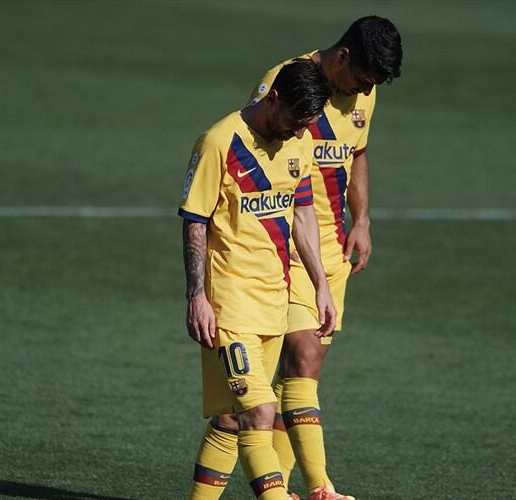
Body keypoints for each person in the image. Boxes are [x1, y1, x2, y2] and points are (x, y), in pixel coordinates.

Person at [190, 16, 404, 500]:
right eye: (361, 78)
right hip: (278, 253)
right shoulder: (283, 83)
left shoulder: (364, 92)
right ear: (343, 57)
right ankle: (318, 488)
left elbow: (357, 153)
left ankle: (282, 488)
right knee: (283, 377)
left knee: (266, 395)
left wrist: (362, 220)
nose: (363, 90)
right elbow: (257, 152)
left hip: (330, 251)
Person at [181, 60, 335, 500]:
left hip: (274, 302)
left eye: (307, 125)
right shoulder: (219, 141)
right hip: (229, 305)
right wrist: (196, 296)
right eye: (294, 121)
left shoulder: (300, 140)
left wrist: (320, 285)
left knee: (232, 419)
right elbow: (195, 221)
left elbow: (302, 213)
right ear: (273, 98)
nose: (298, 132)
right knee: (261, 412)